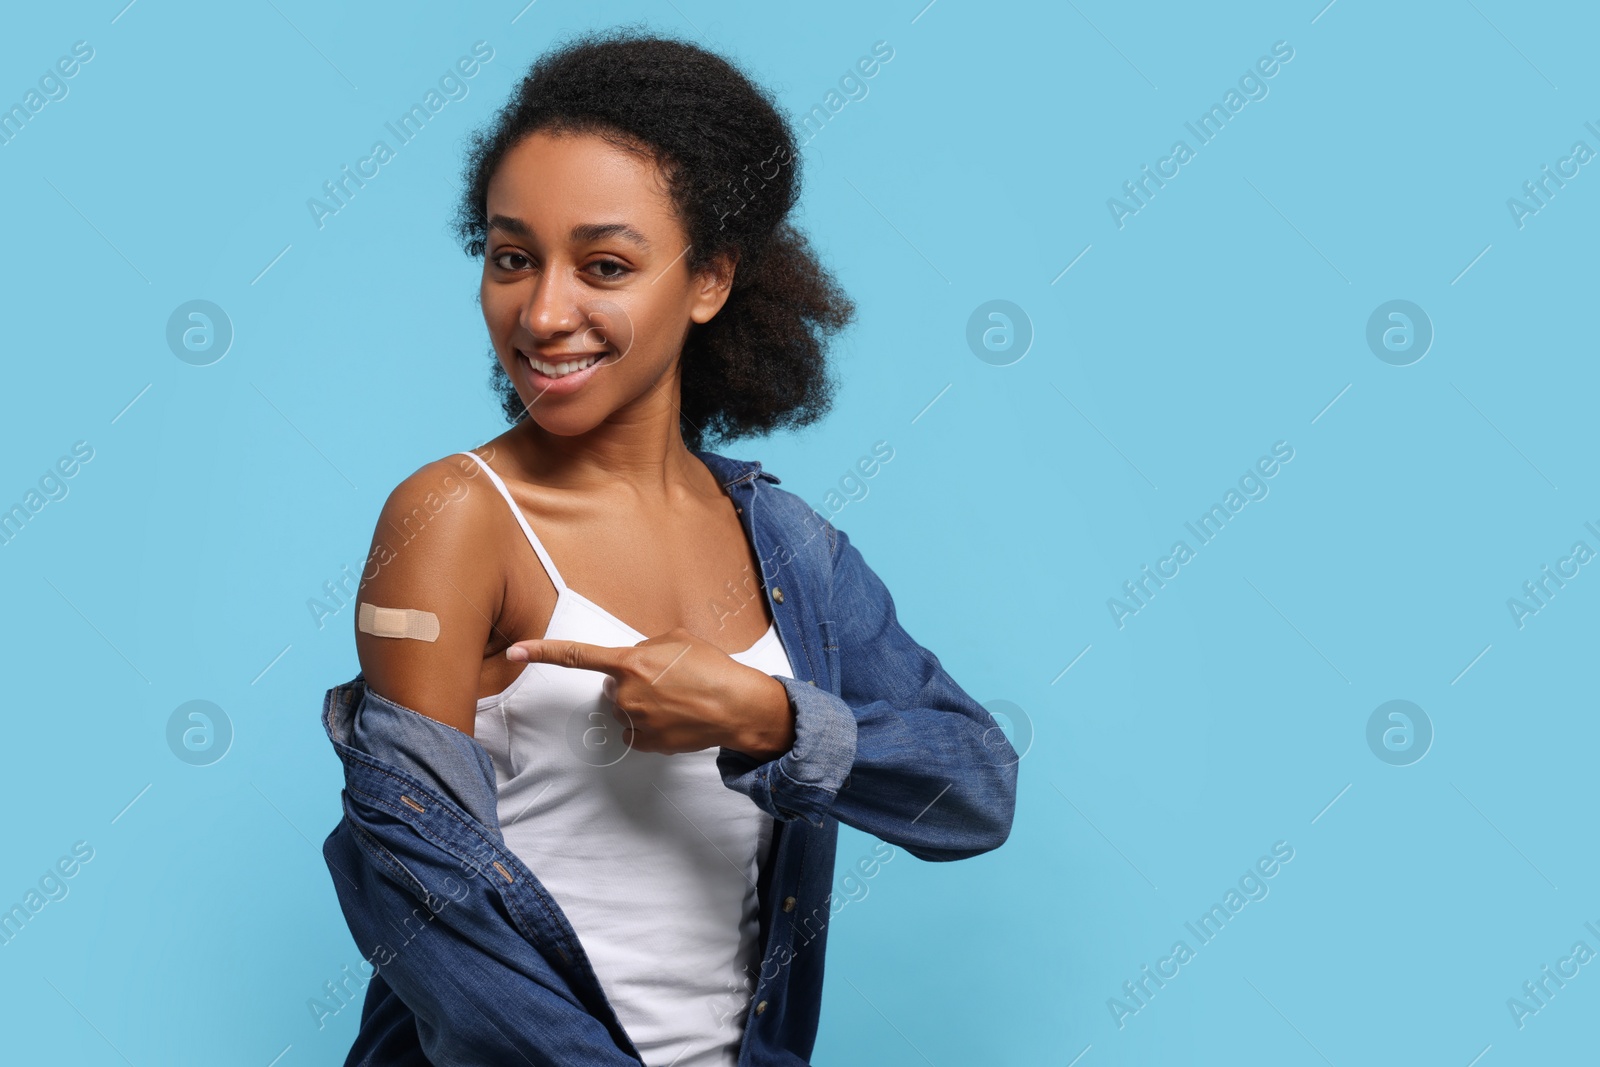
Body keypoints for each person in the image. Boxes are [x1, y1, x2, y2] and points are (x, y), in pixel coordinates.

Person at [323, 27, 1017, 1066]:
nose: (544, 310)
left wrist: (765, 715)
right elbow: (424, 900)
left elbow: (973, 787)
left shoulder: (790, 546)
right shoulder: (454, 517)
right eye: (512, 257)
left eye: (604, 264)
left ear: (708, 280)